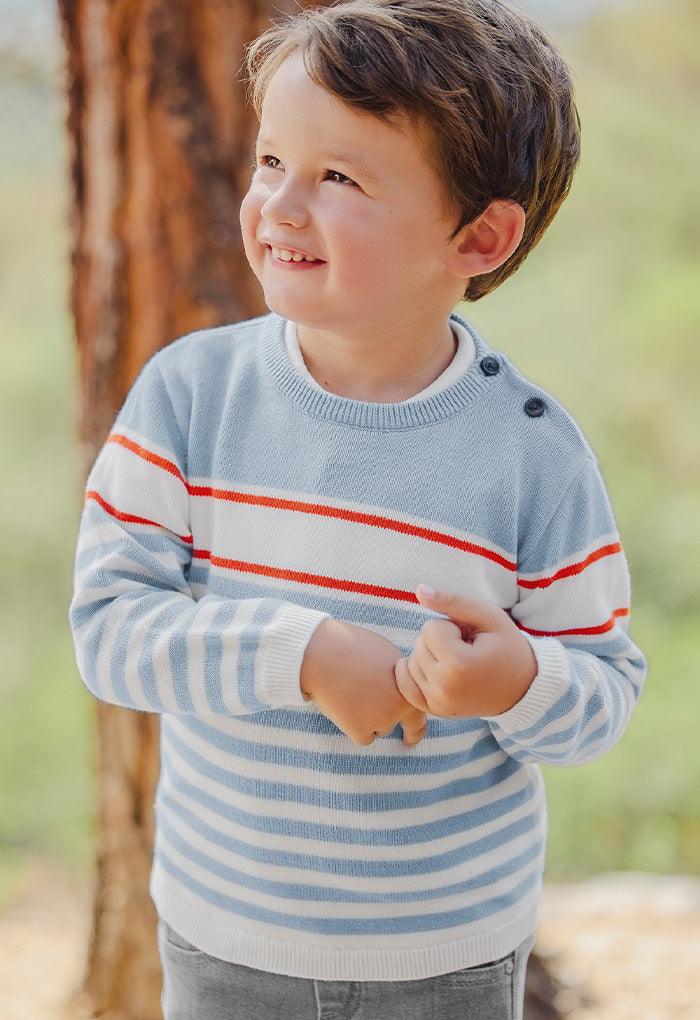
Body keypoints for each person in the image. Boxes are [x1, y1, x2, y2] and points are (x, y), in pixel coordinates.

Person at [69, 0, 646, 1017]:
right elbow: (111, 634)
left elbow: (601, 692)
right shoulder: (188, 396)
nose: (281, 206)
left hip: (449, 956)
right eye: (269, 162)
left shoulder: (531, 453)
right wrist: (301, 652)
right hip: (223, 935)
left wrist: (514, 678)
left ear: (480, 235)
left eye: (337, 178)